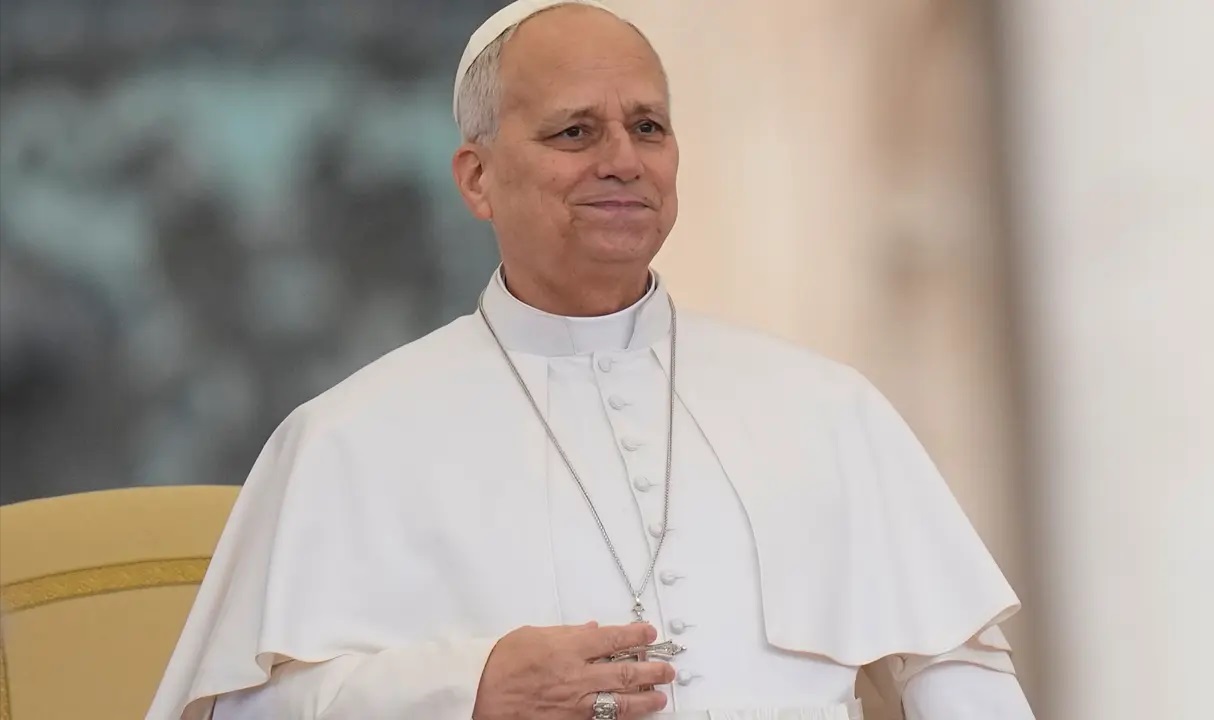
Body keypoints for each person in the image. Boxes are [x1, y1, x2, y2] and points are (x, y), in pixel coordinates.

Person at [146, 1, 1037, 718]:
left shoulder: (828, 410)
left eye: (648, 127)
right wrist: (465, 691)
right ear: (477, 178)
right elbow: (241, 710)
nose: (622, 160)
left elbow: (961, 678)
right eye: (574, 133)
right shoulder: (346, 439)